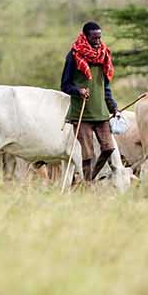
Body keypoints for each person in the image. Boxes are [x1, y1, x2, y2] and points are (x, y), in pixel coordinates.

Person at [60, 21, 119, 181]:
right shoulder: (73, 55)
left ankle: (89, 178)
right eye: (94, 38)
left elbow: (104, 86)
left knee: (108, 149)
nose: (98, 42)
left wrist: (112, 106)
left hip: (101, 113)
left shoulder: (104, 54)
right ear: (85, 37)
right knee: (88, 154)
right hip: (82, 113)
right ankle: (88, 185)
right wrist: (78, 91)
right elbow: (64, 85)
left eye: (100, 38)